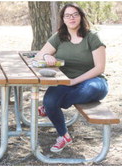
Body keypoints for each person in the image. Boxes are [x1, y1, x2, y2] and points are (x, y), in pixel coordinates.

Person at [35, 3, 108, 153]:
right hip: (65, 81)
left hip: (92, 81)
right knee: (49, 101)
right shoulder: (59, 37)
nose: (72, 18)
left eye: (75, 14)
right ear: (63, 19)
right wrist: (48, 55)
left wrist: (74, 81)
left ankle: (49, 109)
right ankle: (63, 135)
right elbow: (38, 56)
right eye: (67, 15)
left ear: (81, 17)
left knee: (89, 89)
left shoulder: (92, 37)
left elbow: (99, 68)